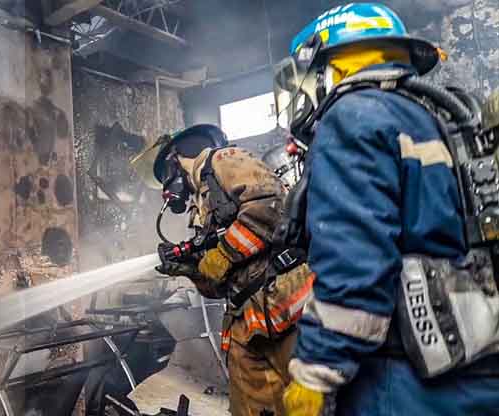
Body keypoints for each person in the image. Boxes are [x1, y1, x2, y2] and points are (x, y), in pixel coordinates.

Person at [276, 3, 499, 415]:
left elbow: (353, 269)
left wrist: (316, 372)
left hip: (402, 382)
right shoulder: (439, 115)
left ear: (325, 66)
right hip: (474, 373)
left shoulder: (353, 117)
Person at [133, 124, 314, 416]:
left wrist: (220, 257)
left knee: (313, 403)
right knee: (249, 409)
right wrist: (191, 269)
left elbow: (270, 205)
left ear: (175, 160)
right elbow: (216, 284)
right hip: (247, 319)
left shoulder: (223, 160)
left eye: (165, 178)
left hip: (286, 306)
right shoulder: (201, 207)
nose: (167, 189)